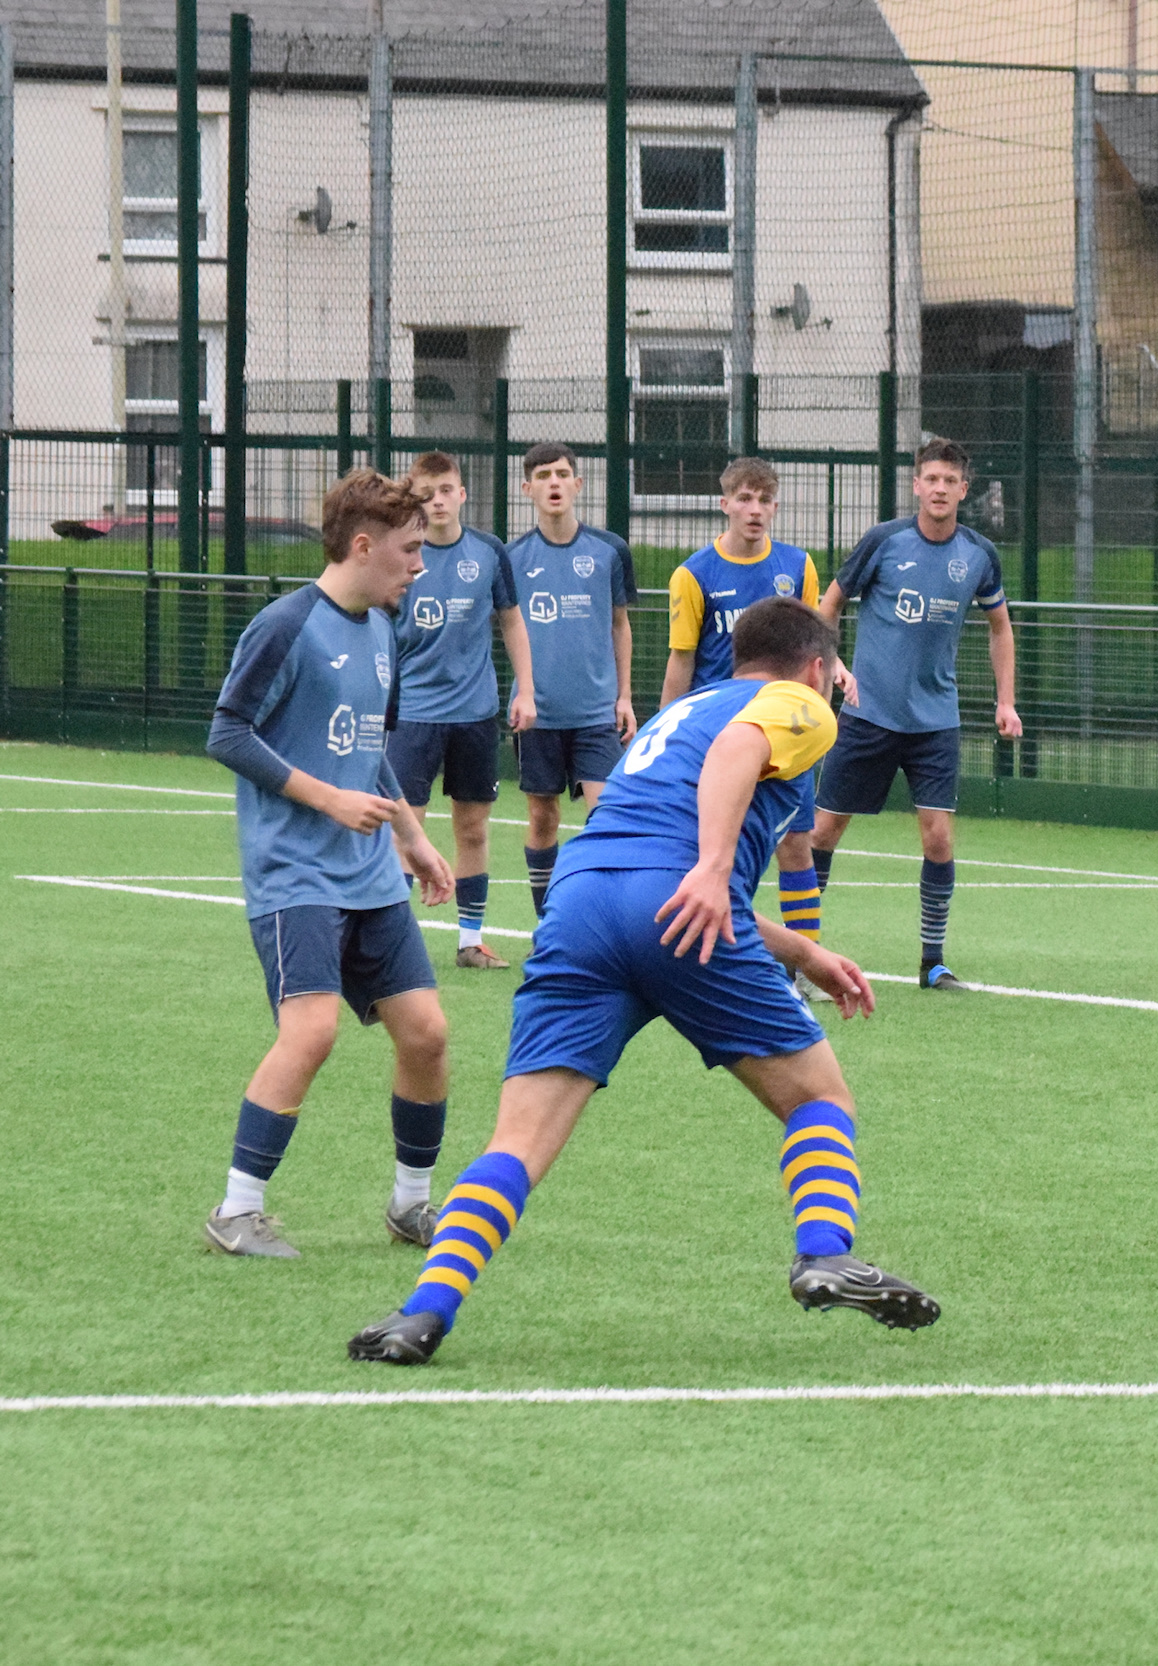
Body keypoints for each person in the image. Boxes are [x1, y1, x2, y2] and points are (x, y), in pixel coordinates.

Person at [349, 598, 939, 1365]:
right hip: (677, 904)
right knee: (818, 1099)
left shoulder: (684, 711)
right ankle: (824, 1251)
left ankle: (421, 1314)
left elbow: (651, 857)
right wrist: (715, 868)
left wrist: (800, 949)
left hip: (581, 906)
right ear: (817, 668)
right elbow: (734, 763)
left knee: (517, 1142)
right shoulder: (797, 704)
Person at [201, 470, 458, 1259]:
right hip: (295, 873)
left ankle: (411, 1205)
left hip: (369, 873)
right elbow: (228, 732)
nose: (419, 566)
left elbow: (368, 748)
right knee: (310, 1033)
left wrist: (411, 836)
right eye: (409, 550)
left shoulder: (384, 629)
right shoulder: (285, 626)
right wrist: (327, 799)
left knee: (427, 1033)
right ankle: (236, 1212)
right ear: (363, 546)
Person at [811, 437, 1021, 990]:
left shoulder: (979, 555)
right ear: (916, 485)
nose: (940, 489)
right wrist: (833, 664)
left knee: (939, 840)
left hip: (935, 722)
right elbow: (828, 606)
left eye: (950, 481)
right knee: (823, 832)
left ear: (964, 490)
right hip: (867, 715)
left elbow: (1001, 627)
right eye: (931, 479)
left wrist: (1005, 701)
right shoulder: (884, 541)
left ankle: (933, 963)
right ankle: (799, 959)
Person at [661, 456, 850, 1002]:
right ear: (724, 504)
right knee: (707, 848)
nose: (755, 510)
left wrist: (835, 671)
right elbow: (682, 659)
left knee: (796, 845)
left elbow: (813, 644)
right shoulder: (694, 574)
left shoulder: (797, 566)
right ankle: (696, 955)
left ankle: (803, 970)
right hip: (722, 736)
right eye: (744, 499)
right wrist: (665, 725)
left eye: (765, 500)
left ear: (775, 506)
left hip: (784, 732)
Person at [389, 451, 537, 969]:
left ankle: (470, 941)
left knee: (472, 829)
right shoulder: (400, 552)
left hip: (475, 714)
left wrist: (525, 690)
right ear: (414, 499)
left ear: (462, 494)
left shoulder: (488, 552)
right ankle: (392, 946)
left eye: (446, 490)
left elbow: (512, 620)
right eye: (426, 494)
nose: (438, 501)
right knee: (405, 829)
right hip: (412, 713)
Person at [506, 442, 638, 917]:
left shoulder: (609, 550)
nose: (554, 483)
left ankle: (603, 919)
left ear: (578, 484)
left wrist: (624, 697)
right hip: (538, 714)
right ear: (527, 489)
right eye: (543, 476)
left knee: (606, 817)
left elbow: (620, 624)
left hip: (596, 712)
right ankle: (549, 924)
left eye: (562, 474)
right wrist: (522, 694)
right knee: (543, 817)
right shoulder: (511, 557)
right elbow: (505, 625)